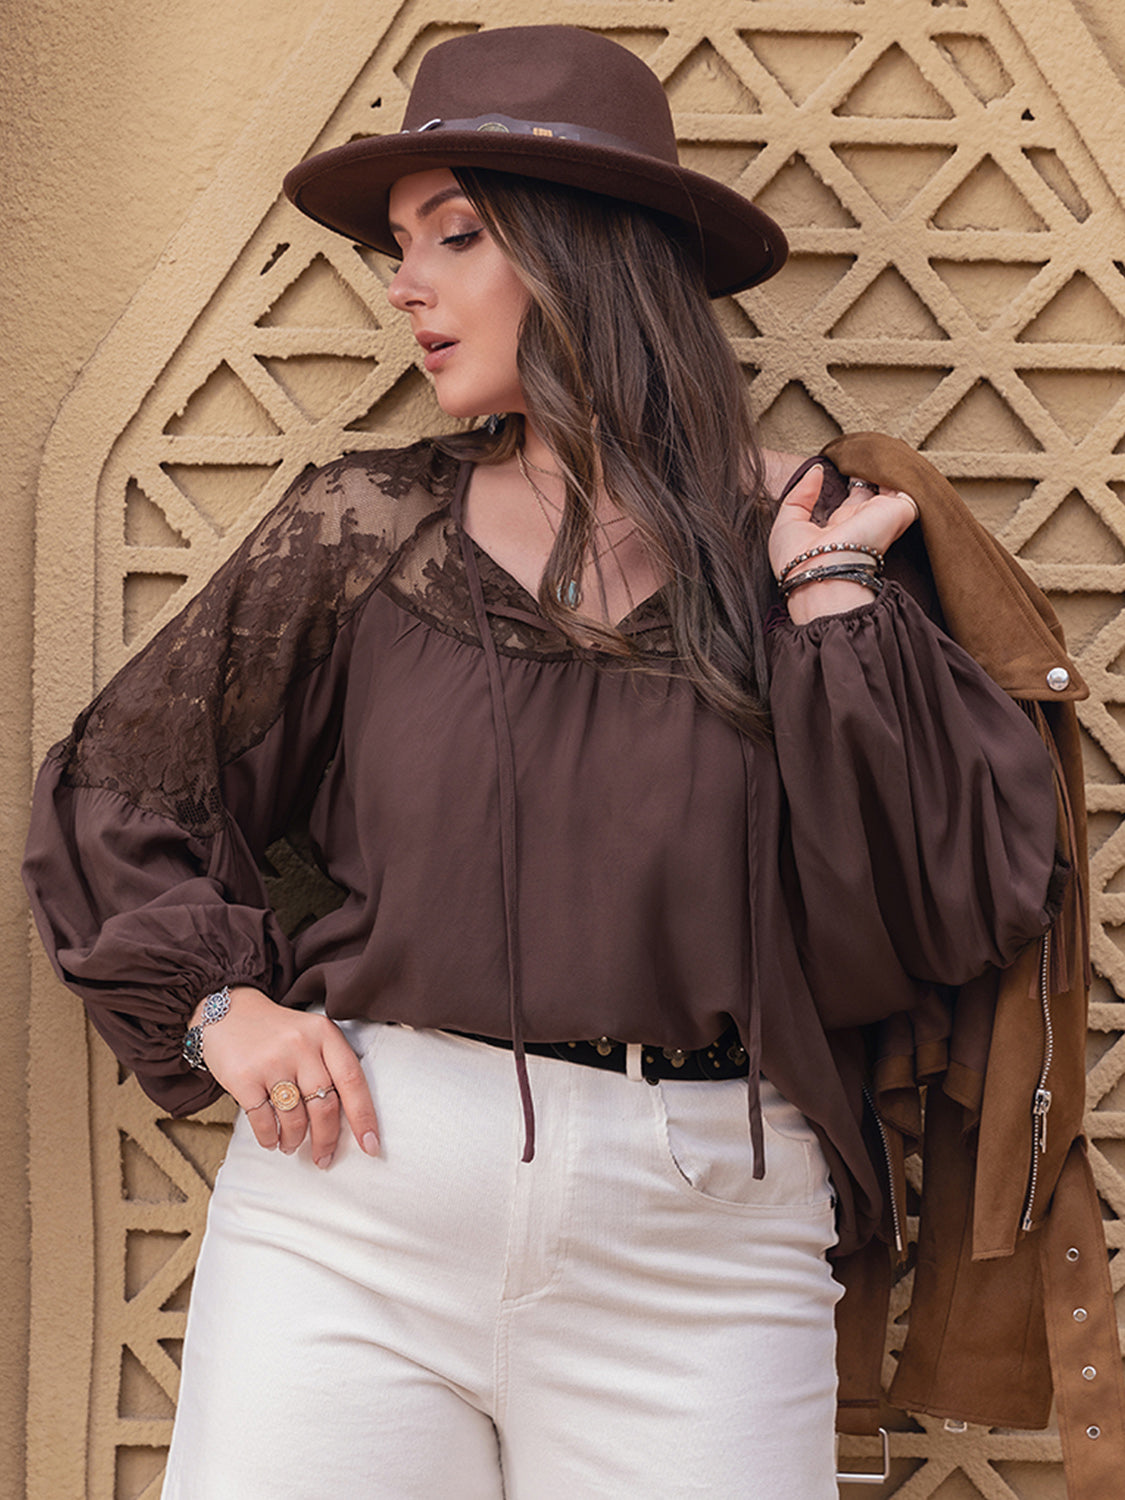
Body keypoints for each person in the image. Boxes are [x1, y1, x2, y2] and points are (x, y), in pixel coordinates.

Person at [23, 24, 1102, 1500]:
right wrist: (217, 1008)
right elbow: (121, 786)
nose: (404, 284)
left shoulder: (810, 546)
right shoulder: (362, 530)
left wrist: (827, 601)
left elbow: (946, 905)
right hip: (357, 1203)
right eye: (399, 246)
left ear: (589, 252)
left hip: (705, 1241)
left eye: (456, 235)